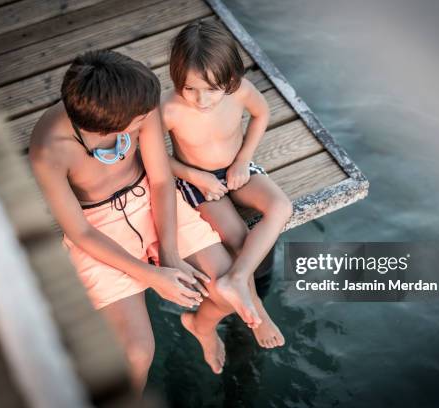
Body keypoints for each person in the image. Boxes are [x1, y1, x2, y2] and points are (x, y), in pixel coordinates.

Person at [28, 50, 246, 394]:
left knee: (227, 287)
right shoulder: (48, 151)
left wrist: (170, 255)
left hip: (149, 194)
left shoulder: (139, 105)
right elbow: (79, 231)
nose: (150, 118)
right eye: (140, 121)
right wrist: (151, 275)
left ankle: (202, 328)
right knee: (136, 353)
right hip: (95, 225)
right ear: (111, 127)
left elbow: (160, 180)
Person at [161, 20, 293, 349]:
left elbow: (262, 114)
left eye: (212, 89)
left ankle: (236, 278)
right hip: (199, 182)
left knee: (282, 207)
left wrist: (242, 160)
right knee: (238, 237)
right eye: (190, 88)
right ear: (177, 78)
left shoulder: (241, 91)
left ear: (231, 79)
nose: (201, 99)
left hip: (238, 169)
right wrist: (194, 176)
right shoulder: (169, 108)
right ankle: (257, 312)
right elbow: (147, 154)